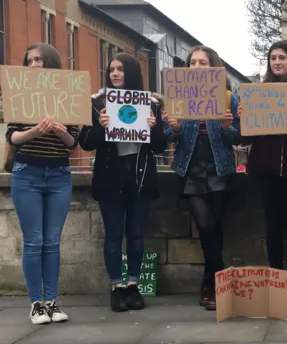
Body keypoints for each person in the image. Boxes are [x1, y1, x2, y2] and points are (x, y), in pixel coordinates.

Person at [79, 53, 166, 312]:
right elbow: (85, 142)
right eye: (111, 70)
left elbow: (161, 146)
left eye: (120, 69)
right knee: (114, 234)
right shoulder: (96, 102)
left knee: (136, 234)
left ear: (131, 72)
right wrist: (100, 125)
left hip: (140, 176)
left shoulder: (151, 103)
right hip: (110, 176)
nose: (115, 74)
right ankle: (116, 287)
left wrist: (153, 127)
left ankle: (133, 285)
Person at [237, 40, 287, 305]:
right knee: (273, 227)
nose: (277, 62)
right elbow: (240, 139)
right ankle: (276, 280)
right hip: (266, 171)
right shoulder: (258, 94)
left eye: (282, 57)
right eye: (273, 58)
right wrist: (241, 119)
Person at [6, 43, 78, 325]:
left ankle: (52, 301)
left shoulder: (66, 93)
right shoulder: (20, 92)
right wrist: (34, 130)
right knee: (33, 242)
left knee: (52, 242)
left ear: (51, 62)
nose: (35, 64)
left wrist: (61, 132)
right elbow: (11, 137)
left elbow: (74, 143)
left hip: (59, 174)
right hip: (27, 173)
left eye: (39, 59)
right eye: (30, 60)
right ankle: (36, 303)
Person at [163, 45, 239, 311]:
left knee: (216, 229)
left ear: (213, 67)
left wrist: (228, 128)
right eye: (192, 62)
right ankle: (218, 281)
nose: (196, 67)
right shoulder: (178, 96)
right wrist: (173, 127)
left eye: (202, 62)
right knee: (206, 227)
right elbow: (168, 137)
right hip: (191, 169)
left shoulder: (229, 97)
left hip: (221, 168)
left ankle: (210, 282)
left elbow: (241, 136)